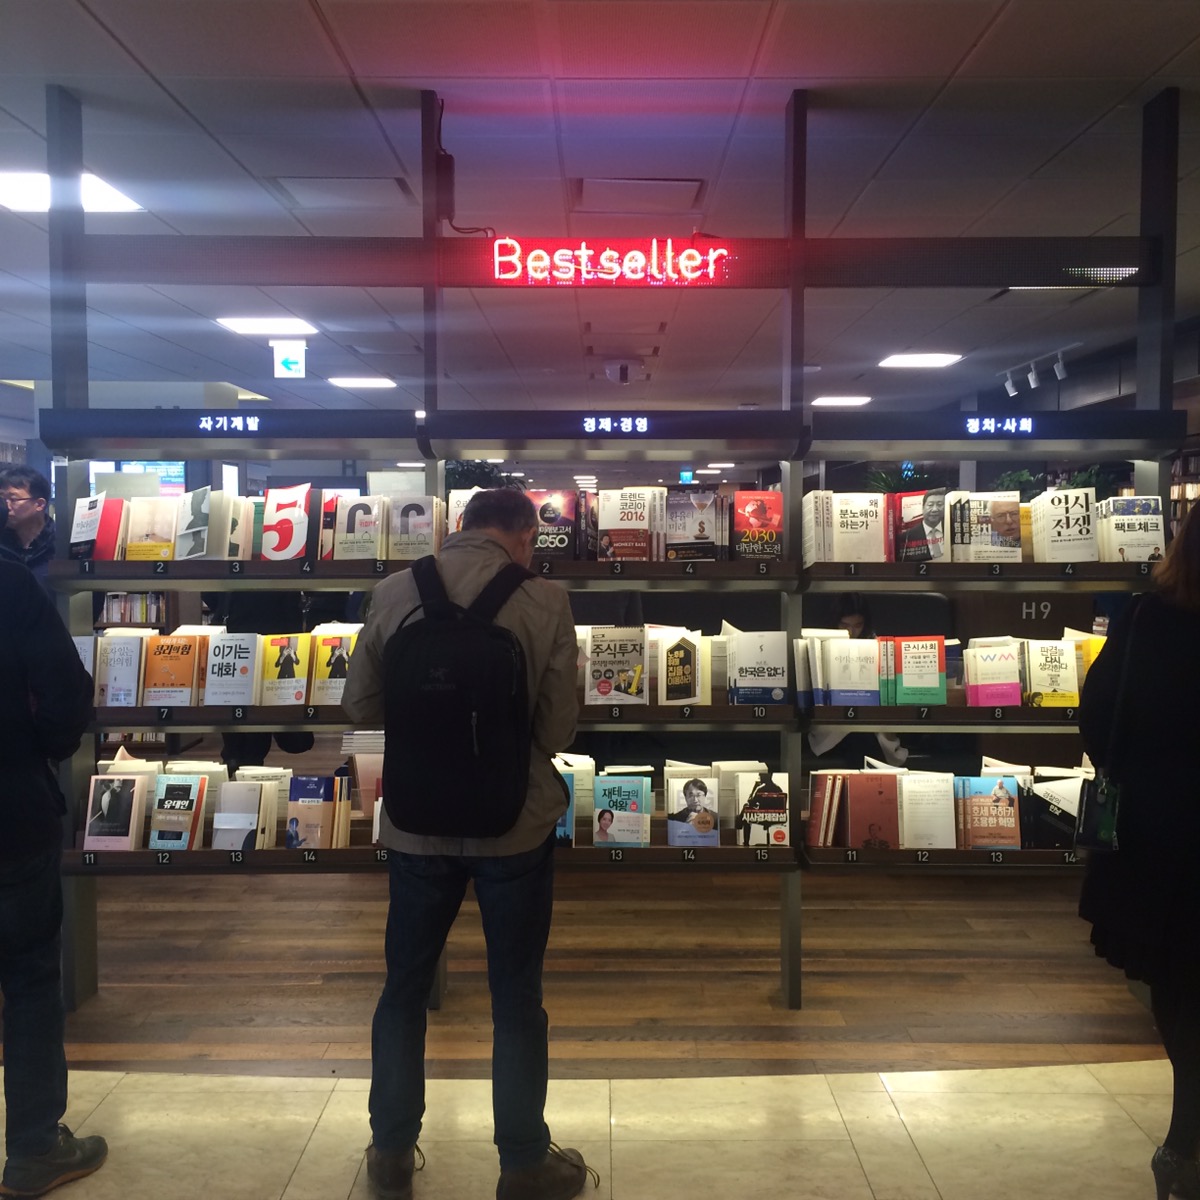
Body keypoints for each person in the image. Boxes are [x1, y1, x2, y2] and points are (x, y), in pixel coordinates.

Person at [342, 488, 598, 1200]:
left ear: (458, 527)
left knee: (403, 989)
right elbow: (557, 731)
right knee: (516, 997)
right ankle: (523, 1162)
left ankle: (391, 1152)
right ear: (524, 535)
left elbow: (359, 706)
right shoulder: (544, 600)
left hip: (416, 822)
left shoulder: (394, 592)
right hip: (512, 824)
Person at [1078, 505, 1200, 1200]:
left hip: (1158, 835)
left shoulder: (1149, 618)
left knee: (1176, 983)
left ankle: (1184, 1143)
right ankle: (1185, 1142)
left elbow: (1099, 712)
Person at [0, 536, 107, 1194]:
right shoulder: (11, 584)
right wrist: (32, 752)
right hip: (10, 813)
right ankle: (35, 1147)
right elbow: (67, 694)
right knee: (30, 978)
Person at [0, 467, 56, 588]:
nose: (5, 506)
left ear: (39, 504)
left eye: (13, 499)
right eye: (2, 500)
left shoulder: (60, 543)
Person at [895, 490, 946, 562]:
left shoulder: (951, 530)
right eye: (930, 505)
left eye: (939, 504)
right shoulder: (906, 537)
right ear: (923, 508)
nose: (934, 509)